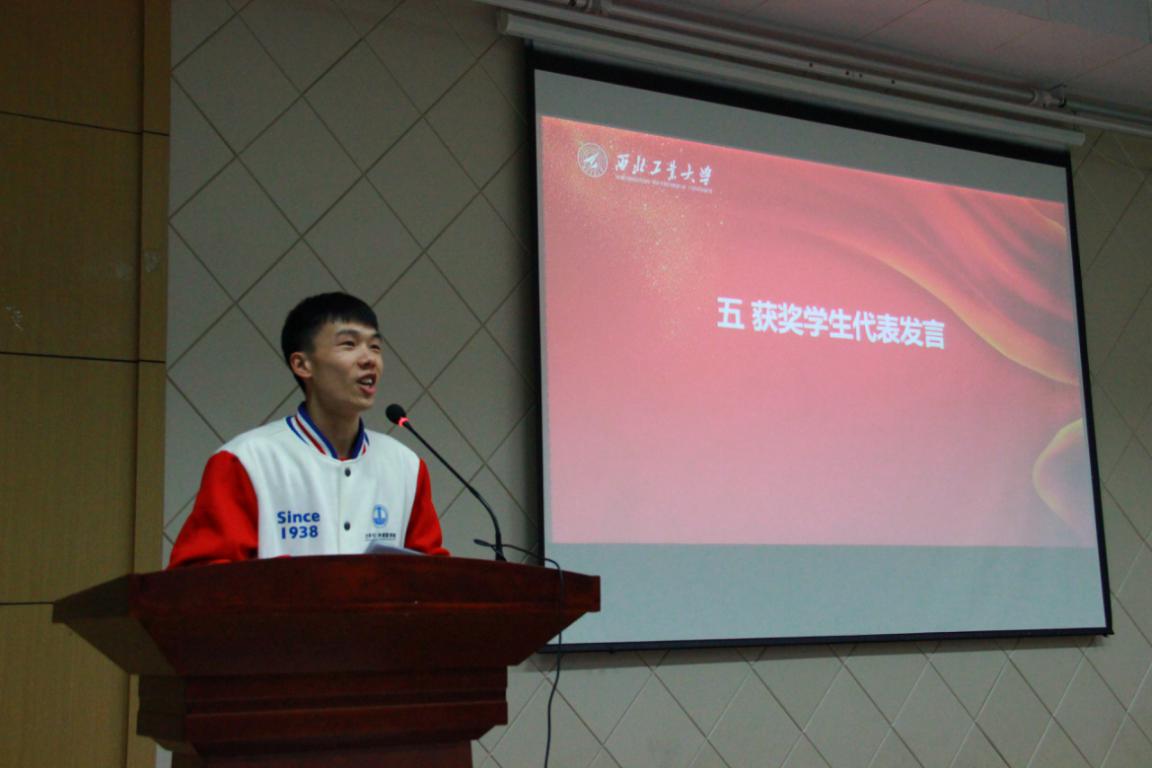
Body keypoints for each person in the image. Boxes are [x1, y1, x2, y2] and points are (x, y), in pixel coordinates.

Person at [168, 292, 448, 567]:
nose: (369, 359)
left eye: (375, 347)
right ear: (302, 364)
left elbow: (434, 577)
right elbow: (200, 579)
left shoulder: (406, 465)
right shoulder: (245, 460)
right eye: (349, 344)